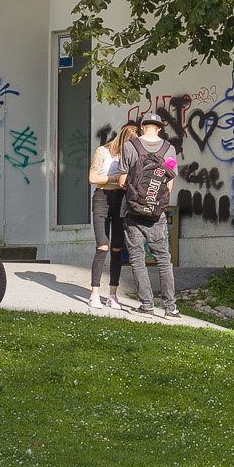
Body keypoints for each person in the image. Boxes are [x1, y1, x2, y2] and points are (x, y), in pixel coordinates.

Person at [120, 113, 180, 319]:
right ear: (160, 128)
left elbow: (121, 182)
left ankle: (146, 305)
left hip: (132, 211)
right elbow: (170, 183)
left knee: (137, 258)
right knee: (164, 259)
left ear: (142, 126)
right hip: (156, 214)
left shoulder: (130, 146)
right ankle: (170, 309)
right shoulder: (168, 149)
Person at [86, 124, 133, 310]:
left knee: (117, 248)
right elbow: (93, 178)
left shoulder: (129, 155)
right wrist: (117, 180)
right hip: (102, 197)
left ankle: (113, 294)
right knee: (102, 246)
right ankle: (94, 292)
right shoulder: (103, 151)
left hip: (121, 200)